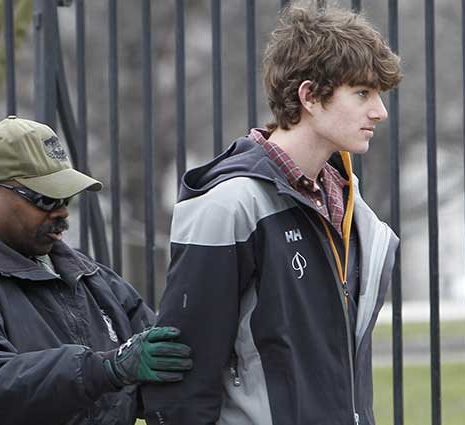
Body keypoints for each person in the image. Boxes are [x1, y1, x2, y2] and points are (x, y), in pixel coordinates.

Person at [142, 2, 402, 425]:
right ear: (310, 96)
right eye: (362, 93)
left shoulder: (354, 213)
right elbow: (183, 379)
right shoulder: (229, 205)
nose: (380, 111)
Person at [0, 116, 192, 425]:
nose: (61, 212)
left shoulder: (85, 274)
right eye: (45, 199)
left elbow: (160, 359)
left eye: (65, 198)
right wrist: (106, 369)